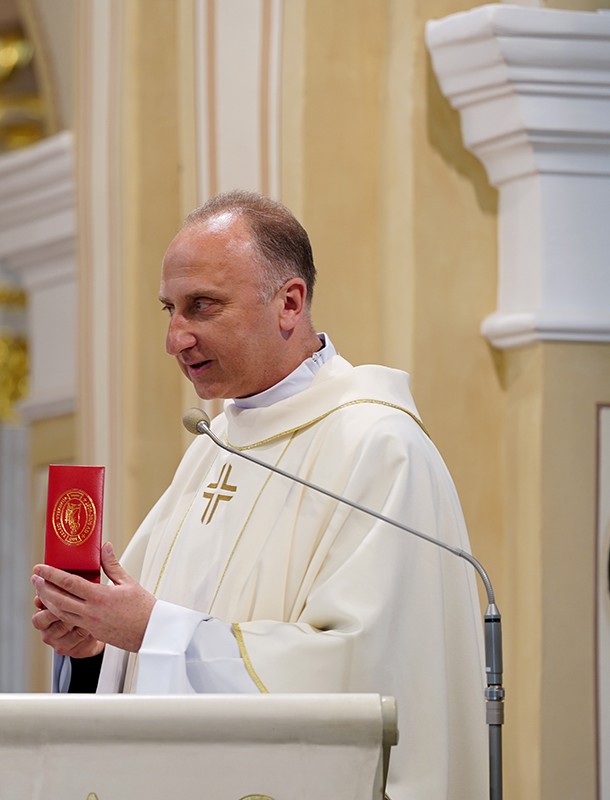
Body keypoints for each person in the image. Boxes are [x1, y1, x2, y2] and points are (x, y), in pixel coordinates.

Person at [32, 191, 488, 799]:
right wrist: (98, 647)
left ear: (289, 303)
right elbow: (148, 638)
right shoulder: (214, 446)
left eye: (202, 306)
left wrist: (153, 631)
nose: (175, 338)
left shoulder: (378, 447)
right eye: (170, 309)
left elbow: (361, 672)